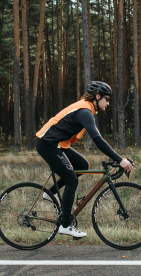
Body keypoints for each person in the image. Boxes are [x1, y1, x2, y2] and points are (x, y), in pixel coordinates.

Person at [35, 81, 134, 238]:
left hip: (56, 144)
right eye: (106, 99)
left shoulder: (87, 109)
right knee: (71, 180)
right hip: (48, 144)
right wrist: (120, 159)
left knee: (82, 165)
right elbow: (98, 140)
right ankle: (65, 225)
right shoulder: (84, 111)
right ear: (97, 96)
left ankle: (51, 193)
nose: (108, 103)